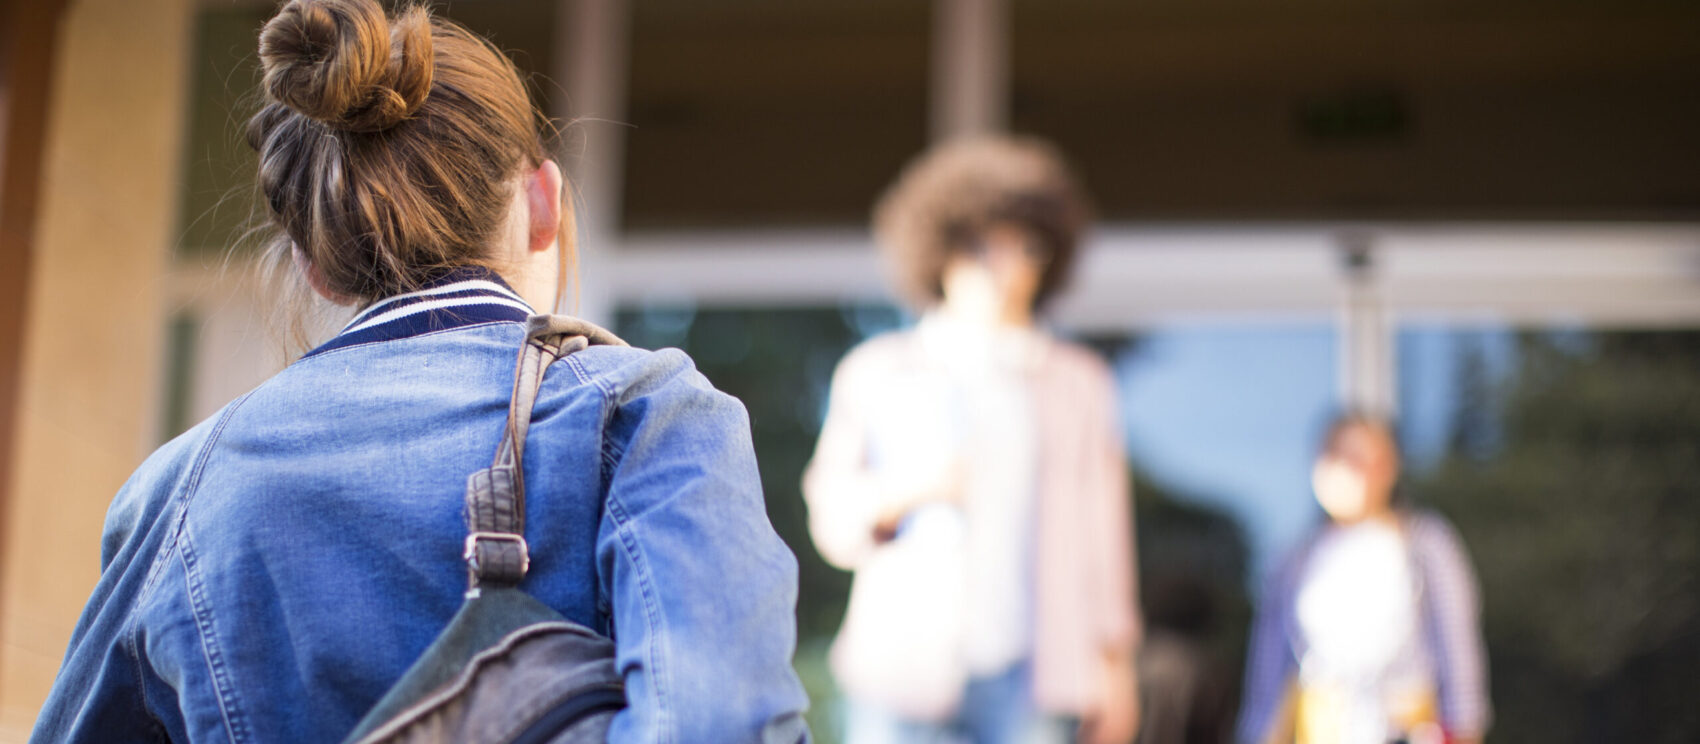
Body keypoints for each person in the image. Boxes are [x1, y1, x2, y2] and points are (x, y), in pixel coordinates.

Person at [30, 0, 809, 741]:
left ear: (315, 265)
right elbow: (723, 725)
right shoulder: (645, 415)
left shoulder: (178, 488)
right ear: (544, 202)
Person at [804, 136, 1141, 744]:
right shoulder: (879, 369)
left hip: (1036, 674)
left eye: (1024, 247)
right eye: (980, 245)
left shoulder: (1079, 384)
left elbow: (1103, 534)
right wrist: (907, 491)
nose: (1002, 266)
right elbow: (831, 518)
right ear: (940, 249)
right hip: (902, 673)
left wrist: (1115, 669)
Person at [1236, 414, 1490, 744]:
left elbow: (1457, 651)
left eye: (1356, 457)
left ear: (1388, 466)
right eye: (1333, 455)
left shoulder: (1426, 544)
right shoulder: (1296, 559)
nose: (1342, 467)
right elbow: (1269, 671)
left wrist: (1465, 730)